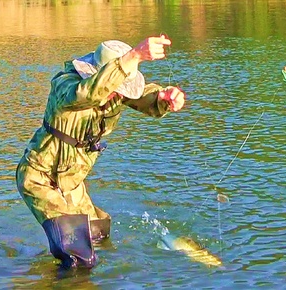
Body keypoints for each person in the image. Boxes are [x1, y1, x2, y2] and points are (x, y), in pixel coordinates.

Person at [15, 35, 186, 269]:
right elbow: (87, 94)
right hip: (40, 179)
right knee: (78, 257)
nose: (118, 95)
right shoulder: (66, 85)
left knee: (99, 234)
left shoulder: (116, 93)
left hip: (72, 182)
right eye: (116, 87)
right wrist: (134, 55)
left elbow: (143, 95)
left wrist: (165, 98)